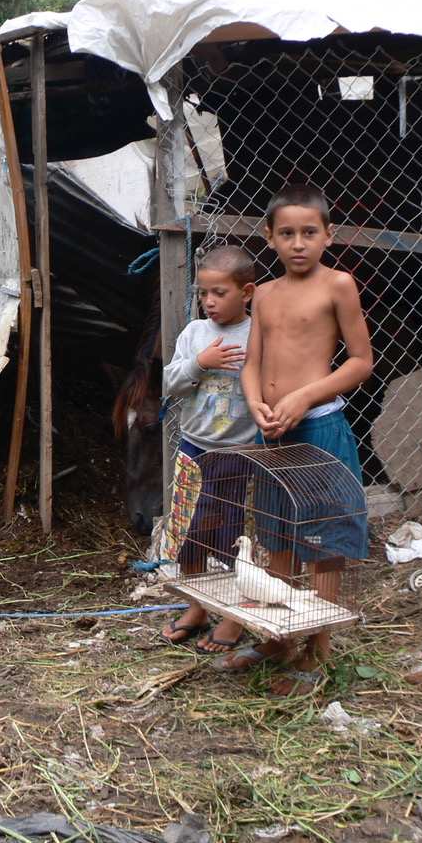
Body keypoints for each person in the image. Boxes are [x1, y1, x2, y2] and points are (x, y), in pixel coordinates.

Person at [218, 183, 374, 696]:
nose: (298, 243)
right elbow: (252, 362)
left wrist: (304, 397)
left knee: (322, 540)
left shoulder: (339, 285)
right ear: (270, 237)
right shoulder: (263, 293)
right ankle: (280, 636)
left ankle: (318, 648)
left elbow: (360, 361)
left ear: (328, 235)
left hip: (318, 426)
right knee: (277, 533)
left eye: (309, 232)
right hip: (272, 432)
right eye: (287, 233)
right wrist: (254, 401)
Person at [159, 245, 258, 654]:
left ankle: (235, 615)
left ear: (247, 292)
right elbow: (170, 385)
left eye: (219, 293)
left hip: (241, 453)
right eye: (203, 294)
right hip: (195, 448)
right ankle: (198, 607)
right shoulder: (195, 334)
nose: (209, 302)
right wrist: (200, 363)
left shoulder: (258, 334)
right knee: (190, 532)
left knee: (239, 538)